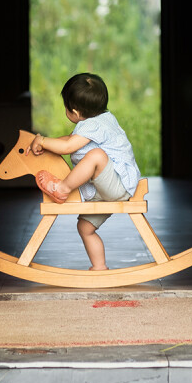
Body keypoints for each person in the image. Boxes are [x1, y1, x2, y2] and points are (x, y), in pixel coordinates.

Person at [31, 72, 141, 272]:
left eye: (66, 107)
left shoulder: (96, 124)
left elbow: (67, 147)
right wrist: (48, 144)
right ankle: (99, 268)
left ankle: (62, 188)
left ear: (74, 111)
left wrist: (43, 141)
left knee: (96, 155)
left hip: (117, 184)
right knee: (85, 228)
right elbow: (68, 140)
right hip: (103, 190)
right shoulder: (96, 121)